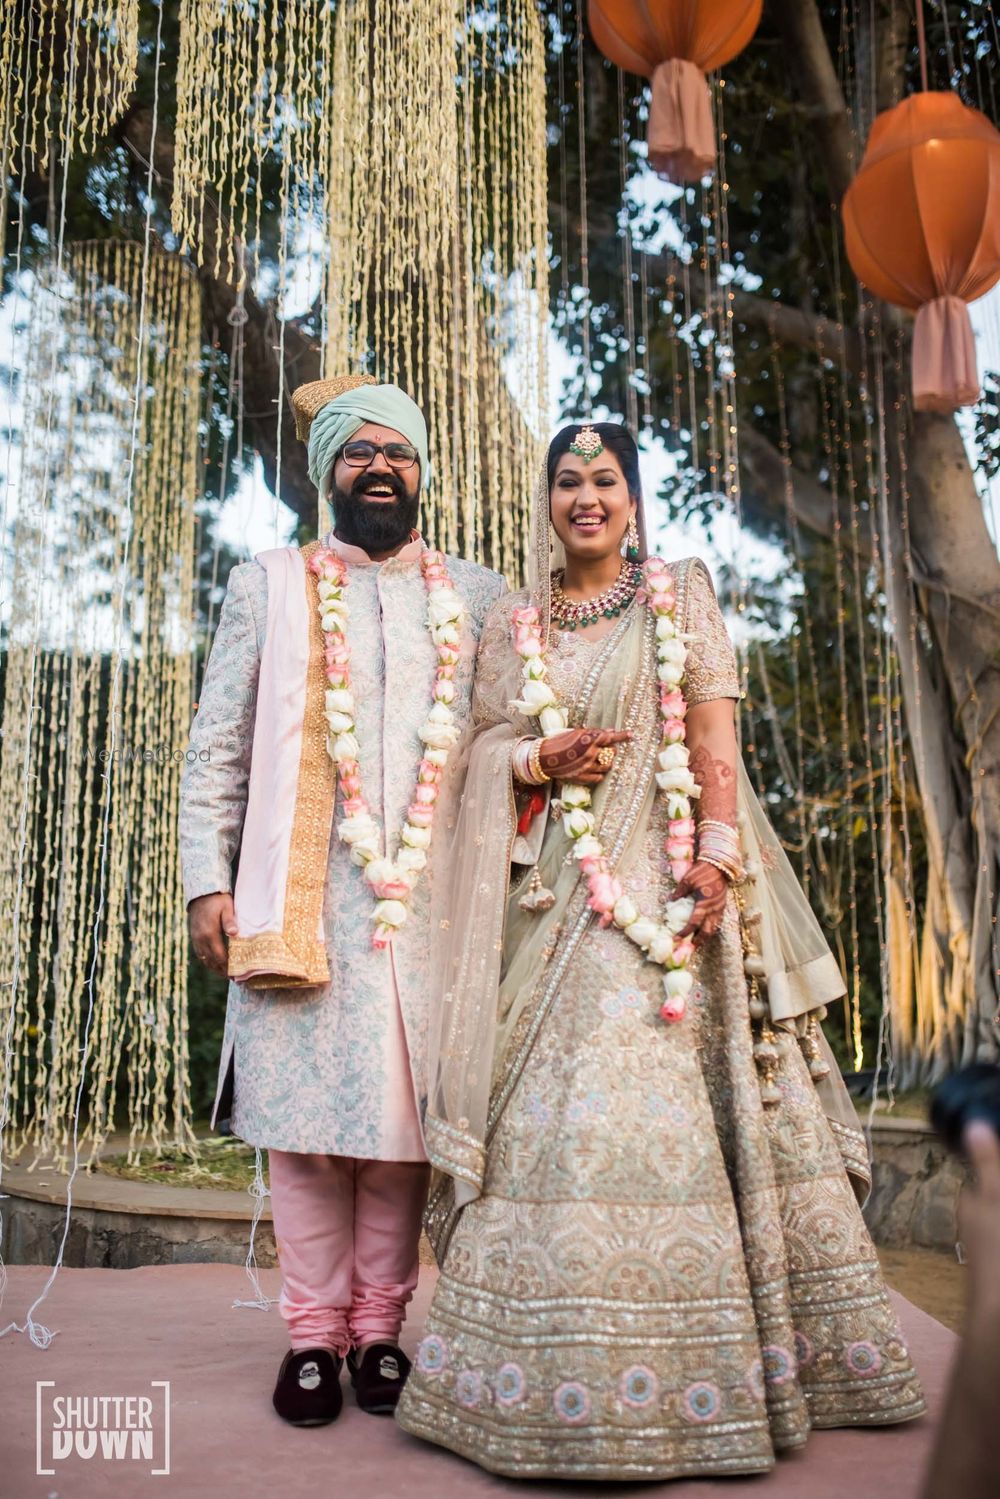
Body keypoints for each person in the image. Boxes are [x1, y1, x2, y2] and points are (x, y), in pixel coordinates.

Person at [395, 420, 925, 1479]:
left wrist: (718, 862)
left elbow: (717, 741)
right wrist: (535, 756)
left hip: (668, 897)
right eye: (566, 480)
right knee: (555, 1119)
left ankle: (702, 1381)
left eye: (604, 479)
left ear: (633, 498)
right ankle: (536, 1376)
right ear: (544, 500)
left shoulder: (679, 592)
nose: (584, 495)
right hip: (552, 904)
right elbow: (468, 760)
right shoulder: (510, 623)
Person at [178, 373, 506, 1428]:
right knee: (309, 1132)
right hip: (300, 895)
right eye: (358, 452)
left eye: (396, 452)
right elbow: (216, 744)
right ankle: (313, 1337)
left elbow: (510, 739)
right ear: (327, 472)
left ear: (420, 473)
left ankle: (380, 1332)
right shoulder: (266, 582)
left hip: (432, 906)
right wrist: (206, 881)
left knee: (400, 1128)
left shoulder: (482, 595)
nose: (379, 467)